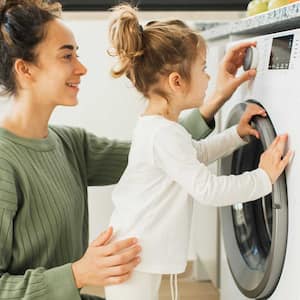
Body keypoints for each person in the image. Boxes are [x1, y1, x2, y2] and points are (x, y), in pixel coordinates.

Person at [0, 1, 259, 299]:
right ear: (25, 70)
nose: (82, 68)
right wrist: (78, 273)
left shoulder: (70, 144)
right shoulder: (5, 163)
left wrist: (214, 99)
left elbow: (163, 154)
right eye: (67, 56)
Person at [104, 4, 293, 300]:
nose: (208, 78)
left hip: (134, 252)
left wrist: (236, 135)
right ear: (176, 82)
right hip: (129, 260)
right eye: (203, 69)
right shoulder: (163, 134)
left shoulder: (160, 127)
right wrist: (263, 178)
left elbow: (197, 152)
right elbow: (208, 190)